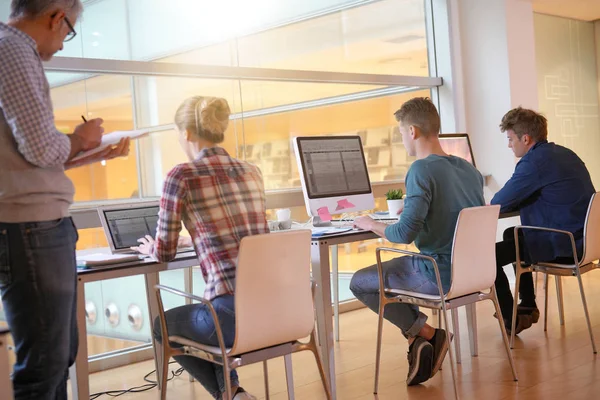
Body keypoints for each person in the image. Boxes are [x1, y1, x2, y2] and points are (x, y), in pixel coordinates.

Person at [0, 1, 130, 399]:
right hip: (31, 227)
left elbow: (29, 161)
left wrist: (89, 152)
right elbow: (42, 148)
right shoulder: (13, 49)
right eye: (69, 30)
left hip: (35, 224)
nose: (62, 43)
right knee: (45, 363)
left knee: (57, 356)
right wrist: (81, 139)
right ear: (57, 17)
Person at [132, 96, 268, 400]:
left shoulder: (181, 175)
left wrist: (152, 247)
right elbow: (246, 236)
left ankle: (231, 394)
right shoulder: (252, 172)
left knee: (162, 325)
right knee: (217, 307)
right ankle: (232, 391)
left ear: (187, 134)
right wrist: (195, 238)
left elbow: (164, 253)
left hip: (232, 318)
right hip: (274, 311)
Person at [351, 97, 485, 386]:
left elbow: (403, 235)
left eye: (400, 133)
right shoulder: (470, 171)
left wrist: (371, 223)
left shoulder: (421, 170)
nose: (402, 139)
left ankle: (425, 334)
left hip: (438, 273)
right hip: (474, 274)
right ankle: (422, 337)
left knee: (360, 282)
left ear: (412, 131)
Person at [491, 107, 595, 334]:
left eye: (510, 139)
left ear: (525, 138)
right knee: (514, 234)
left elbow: (498, 203)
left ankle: (511, 319)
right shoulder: (566, 154)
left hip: (564, 245)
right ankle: (527, 304)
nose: (509, 145)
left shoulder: (534, 163)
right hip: (584, 241)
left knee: (489, 257)